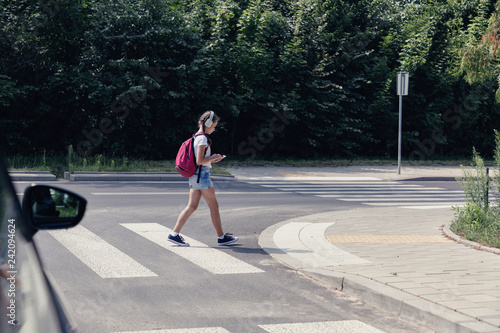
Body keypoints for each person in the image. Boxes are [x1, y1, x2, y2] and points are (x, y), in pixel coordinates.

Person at [168, 111, 239, 247]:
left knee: (192, 206)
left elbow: (200, 161)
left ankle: (174, 234)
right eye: (214, 125)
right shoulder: (202, 139)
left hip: (196, 176)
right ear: (208, 124)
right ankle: (221, 237)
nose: (214, 128)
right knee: (214, 206)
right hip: (202, 177)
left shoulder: (197, 137)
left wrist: (213, 159)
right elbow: (200, 160)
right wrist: (213, 157)